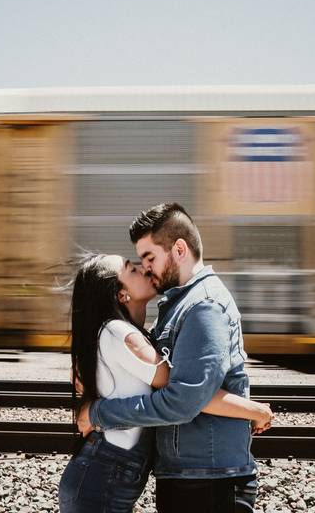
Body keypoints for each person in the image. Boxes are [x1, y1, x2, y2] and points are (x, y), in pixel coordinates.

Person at [77, 203, 260, 512]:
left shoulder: (204, 306)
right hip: (191, 474)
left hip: (208, 479)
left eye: (149, 258)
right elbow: (185, 390)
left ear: (178, 249)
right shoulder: (177, 305)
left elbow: (182, 401)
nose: (146, 268)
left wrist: (99, 414)